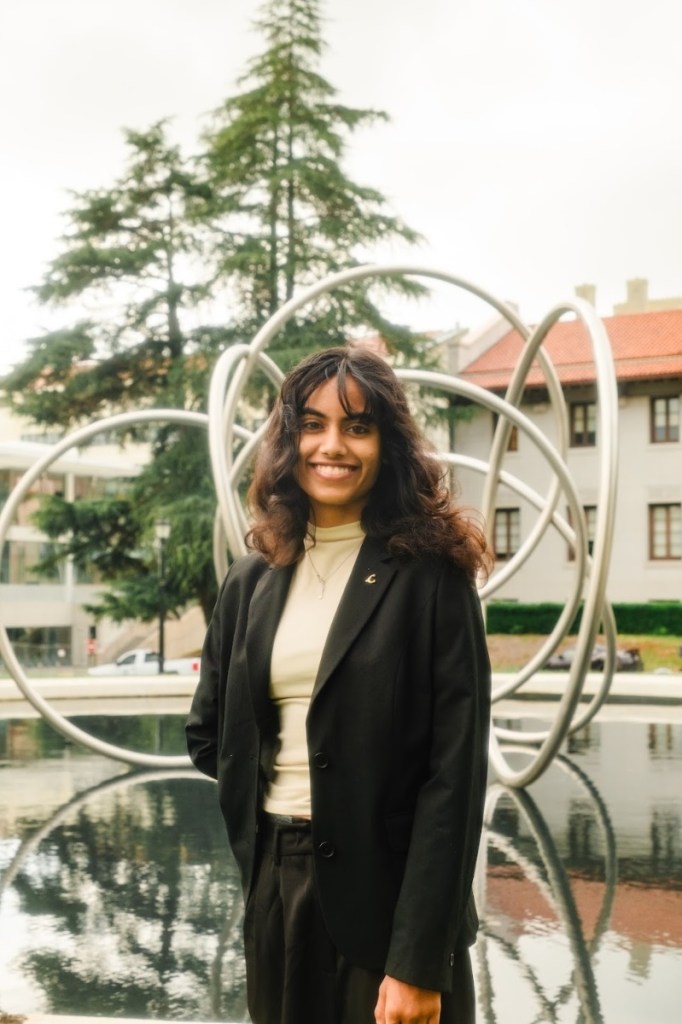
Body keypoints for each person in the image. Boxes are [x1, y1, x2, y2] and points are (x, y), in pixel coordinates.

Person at [186, 345, 491, 1024]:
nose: (333, 446)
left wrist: (417, 961)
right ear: (288, 441)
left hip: (391, 900)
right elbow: (209, 733)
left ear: (389, 444)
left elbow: (455, 780)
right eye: (314, 425)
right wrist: (269, 837)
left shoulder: (432, 577)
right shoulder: (252, 578)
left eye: (358, 427)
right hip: (277, 889)